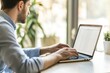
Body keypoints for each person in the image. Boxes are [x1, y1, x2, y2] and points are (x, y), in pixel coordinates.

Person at [0, 0, 78, 73]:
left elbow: (14, 56)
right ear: (20, 5)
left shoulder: (3, 23)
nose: (29, 12)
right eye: (28, 6)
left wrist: (48, 49)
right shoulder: (3, 27)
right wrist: (58, 55)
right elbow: (24, 66)